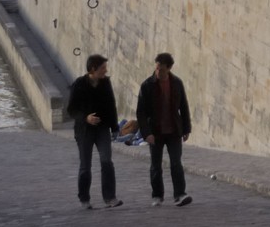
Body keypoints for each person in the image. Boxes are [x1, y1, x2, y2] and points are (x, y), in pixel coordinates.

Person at [136, 53, 193, 206]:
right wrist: (146, 133)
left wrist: (187, 128)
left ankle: (180, 194)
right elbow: (140, 112)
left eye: (161, 69)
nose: (157, 72)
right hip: (155, 132)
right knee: (156, 166)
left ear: (169, 68)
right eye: (156, 68)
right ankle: (157, 196)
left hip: (174, 131)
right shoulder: (147, 85)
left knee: (176, 163)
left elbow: (184, 106)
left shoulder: (176, 83)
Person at [66, 54, 123, 208]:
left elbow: (111, 105)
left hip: (102, 128)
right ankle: (84, 199)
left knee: (107, 161)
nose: (106, 70)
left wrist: (115, 128)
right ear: (93, 69)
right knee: (85, 165)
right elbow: (71, 109)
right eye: (103, 68)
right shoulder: (79, 84)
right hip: (84, 130)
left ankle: (110, 197)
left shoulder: (106, 83)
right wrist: (86, 118)